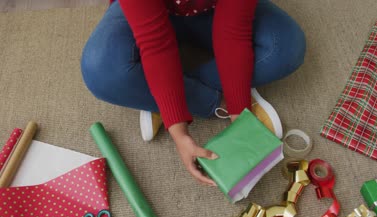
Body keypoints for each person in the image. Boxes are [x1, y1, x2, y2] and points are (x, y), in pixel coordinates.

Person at [81, 0, 306, 186]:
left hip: (212, 11)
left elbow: (234, 31)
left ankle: (155, 94)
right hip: (145, 16)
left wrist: (239, 110)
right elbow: (154, 42)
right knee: (100, 69)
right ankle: (165, 96)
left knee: (287, 47)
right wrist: (179, 131)